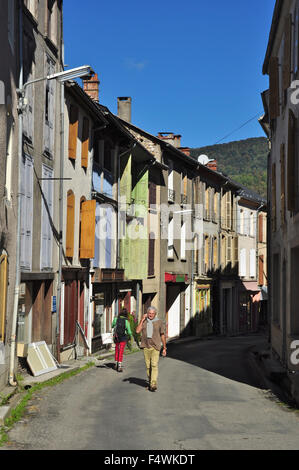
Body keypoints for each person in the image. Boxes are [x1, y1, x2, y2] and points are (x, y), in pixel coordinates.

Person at [136, 306, 167, 392]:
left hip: (155, 346)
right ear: (147, 313)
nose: (151, 315)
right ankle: (150, 381)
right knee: (148, 366)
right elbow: (137, 331)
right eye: (149, 313)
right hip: (146, 346)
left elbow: (162, 335)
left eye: (152, 313)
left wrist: (164, 347)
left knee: (154, 365)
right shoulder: (144, 322)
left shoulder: (159, 322)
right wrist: (142, 319)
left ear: (155, 314)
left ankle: (153, 383)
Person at [111, 308, 132, 372]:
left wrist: (114, 322)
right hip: (123, 337)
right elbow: (129, 331)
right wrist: (130, 336)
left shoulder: (116, 319)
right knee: (121, 350)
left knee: (117, 349)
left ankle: (116, 363)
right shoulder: (126, 321)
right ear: (126, 314)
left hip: (117, 336)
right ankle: (119, 365)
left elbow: (112, 326)